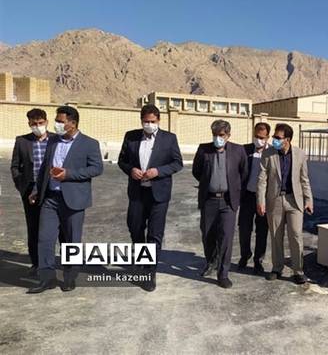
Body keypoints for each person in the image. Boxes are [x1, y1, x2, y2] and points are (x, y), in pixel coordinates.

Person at [27, 105, 103, 294]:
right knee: (45, 239)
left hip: (74, 200)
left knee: (71, 241)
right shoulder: (53, 141)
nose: (56, 124)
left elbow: (96, 168)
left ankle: (70, 277)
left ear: (73, 123)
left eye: (60, 121)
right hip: (50, 198)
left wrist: (69, 174)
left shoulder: (89, 144)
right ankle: (47, 279)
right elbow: (45, 167)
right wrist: (37, 189)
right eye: (56, 121)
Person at [117, 104, 183, 292]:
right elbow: (122, 160)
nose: (149, 124)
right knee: (135, 227)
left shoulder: (169, 139)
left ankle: (149, 272)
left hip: (159, 195)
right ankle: (141, 259)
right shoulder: (131, 136)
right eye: (146, 121)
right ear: (141, 120)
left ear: (158, 120)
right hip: (137, 193)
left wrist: (158, 171)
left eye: (152, 121)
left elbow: (177, 163)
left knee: (155, 234)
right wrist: (131, 170)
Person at [192, 120, 247, 288]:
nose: (218, 138)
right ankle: (211, 261)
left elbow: (243, 173)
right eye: (215, 135)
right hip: (209, 200)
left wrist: (234, 190)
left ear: (228, 135)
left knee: (226, 238)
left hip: (228, 202)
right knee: (207, 235)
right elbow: (196, 171)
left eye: (221, 135)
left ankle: (223, 274)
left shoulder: (238, 150)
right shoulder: (204, 149)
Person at [257, 123, 313, 284]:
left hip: (294, 201)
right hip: (275, 200)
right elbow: (262, 179)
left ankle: (298, 271)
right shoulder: (268, 154)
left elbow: (304, 179)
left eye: (277, 137)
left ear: (287, 139)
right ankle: (277, 268)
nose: (274, 140)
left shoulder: (300, 154)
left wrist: (308, 200)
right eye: (274, 137)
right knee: (276, 235)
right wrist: (260, 201)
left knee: (296, 235)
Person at [10, 108, 56, 275]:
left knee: (52, 229)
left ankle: (51, 263)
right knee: (34, 227)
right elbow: (15, 166)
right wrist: (22, 186)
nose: (37, 126)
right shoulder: (22, 141)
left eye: (40, 123)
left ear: (46, 122)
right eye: (34, 123)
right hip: (30, 191)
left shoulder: (56, 140)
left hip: (51, 189)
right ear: (29, 123)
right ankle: (36, 263)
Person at [237, 122, 271, 274]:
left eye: (262, 137)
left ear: (267, 137)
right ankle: (245, 255)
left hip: (264, 198)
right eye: (256, 136)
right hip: (247, 196)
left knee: (262, 230)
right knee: (244, 228)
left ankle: (258, 260)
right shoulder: (244, 150)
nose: (258, 140)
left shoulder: (273, 153)